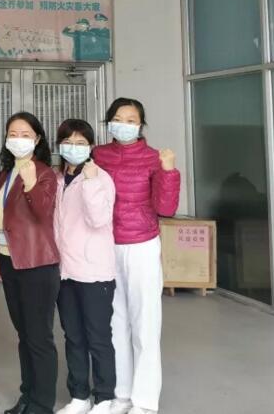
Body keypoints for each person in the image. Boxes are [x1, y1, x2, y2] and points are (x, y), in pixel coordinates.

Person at [92, 99, 179, 414]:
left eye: (131, 119)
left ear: (141, 125)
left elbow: (166, 208)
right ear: (109, 122)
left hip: (141, 245)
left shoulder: (155, 158)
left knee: (145, 322)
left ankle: (144, 401)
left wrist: (168, 172)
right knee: (114, 323)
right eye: (118, 118)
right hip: (105, 245)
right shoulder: (98, 155)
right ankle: (122, 394)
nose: (124, 124)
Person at [0, 112, 59, 414]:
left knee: (39, 337)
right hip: (10, 261)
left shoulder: (44, 173)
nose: (18, 140)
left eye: (25, 134)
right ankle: (27, 396)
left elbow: (44, 213)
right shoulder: (6, 173)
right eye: (13, 134)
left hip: (36, 264)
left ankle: (42, 404)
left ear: (37, 139)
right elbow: (0, 218)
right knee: (24, 335)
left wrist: (32, 184)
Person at [52, 120, 117, 414]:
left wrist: (90, 182)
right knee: (73, 336)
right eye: (68, 142)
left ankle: (104, 397)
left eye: (81, 143)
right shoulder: (57, 178)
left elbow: (98, 219)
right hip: (64, 271)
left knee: (98, 337)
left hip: (94, 272)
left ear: (91, 146)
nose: (73, 148)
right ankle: (79, 395)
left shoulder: (100, 178)